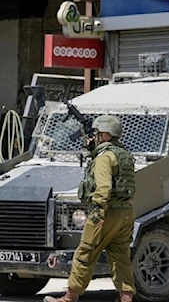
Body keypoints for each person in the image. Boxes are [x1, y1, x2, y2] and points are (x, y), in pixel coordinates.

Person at [44, 115, 136, 302]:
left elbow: (103, 187)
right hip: (125, 212)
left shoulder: (104, 157)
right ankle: (126, 297)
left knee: (85, 253)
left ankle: (70, 297)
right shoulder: (124, 155)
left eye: (97, 133)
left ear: (106, 135)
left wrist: (98, 211)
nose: (93, 137)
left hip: (106, 212)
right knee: (120, 257)